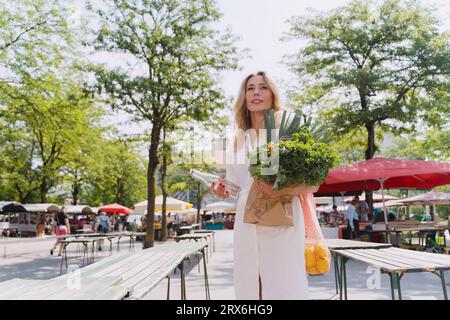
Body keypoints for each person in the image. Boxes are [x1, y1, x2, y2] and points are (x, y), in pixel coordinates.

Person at [210, 71, 319, 300]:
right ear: (244, 96)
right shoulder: (237, 139)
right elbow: (236, 188)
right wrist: (223, 190)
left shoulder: (289, 131)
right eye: (250, 88)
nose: (256, 92)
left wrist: (284, 189)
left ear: (272, 94)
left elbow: (314, 183)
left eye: (263, 87)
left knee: (283, 283)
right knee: (250, 283)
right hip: (245, 221)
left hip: (282, 218)